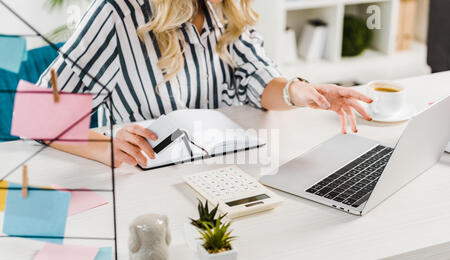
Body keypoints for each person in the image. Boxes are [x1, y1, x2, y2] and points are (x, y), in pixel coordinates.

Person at [38, 0, 373, 168]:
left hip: (224, 172)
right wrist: (105, 146)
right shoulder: (117, 13)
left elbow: (258, 79)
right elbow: (37, 112)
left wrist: (299, 91)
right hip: (148, 184)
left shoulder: (223, 7)